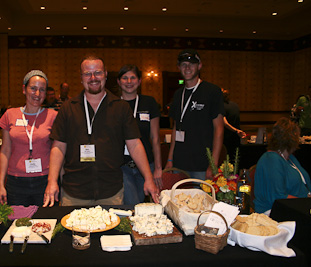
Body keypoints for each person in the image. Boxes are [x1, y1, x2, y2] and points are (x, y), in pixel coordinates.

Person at [43, 55, 159, 207]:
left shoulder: (120, 107)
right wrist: (52, 182)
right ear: (81, 77)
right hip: (74, 192)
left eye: (97, 72)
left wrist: (149, 178)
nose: (93, 78)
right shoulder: (68, 108)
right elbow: (58, 147)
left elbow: (135, 144)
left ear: (105, 74)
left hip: (111, 192)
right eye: (87, 73)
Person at [0, 70, 58, 206]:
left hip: (44, 181)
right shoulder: (10, 114)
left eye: (42, 90)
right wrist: (1, 184)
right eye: (33, 88)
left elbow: (58, 151)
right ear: (24, 89)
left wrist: (56, 181)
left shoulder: (53, 116)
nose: (37, 94)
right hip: (16, 182)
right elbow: (5, 150)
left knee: (46, 223)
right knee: (17, 224)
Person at [165, 49, 224, 180]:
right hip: (179, 163)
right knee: (179, 199)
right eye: (183, 64)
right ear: (178, 67)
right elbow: (175, 128)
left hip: (202, 165)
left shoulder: (212, 91)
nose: (187, 68)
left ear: (199, 66)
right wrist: (170, 158)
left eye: (191, 64)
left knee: (202, 200)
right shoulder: (178, 94)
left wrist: (213, 163)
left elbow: (219, 129)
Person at [117, 64, 163, 205]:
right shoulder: (113, 105)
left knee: (143, 203)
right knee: (133, 204)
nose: (129, 82)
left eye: (133, 78)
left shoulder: (149, 103)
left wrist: (158, 168)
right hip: (122, 166)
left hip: (146, 165)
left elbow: (155, 138)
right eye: (125, 78)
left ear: (139, 81)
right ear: (118, 82)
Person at [254, 117, 311, 215]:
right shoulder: (271, 159)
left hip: (297, 208)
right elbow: (278, 197)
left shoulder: (291, 159)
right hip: (276, 212)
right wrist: (306, 203)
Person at [222, 89, 246, 159]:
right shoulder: (235, 105)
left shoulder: (221, 106)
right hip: (236, 138)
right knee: (235, 159)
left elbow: (225, 123)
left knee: (226, 160)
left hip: (226, 137)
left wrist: (235, 130)